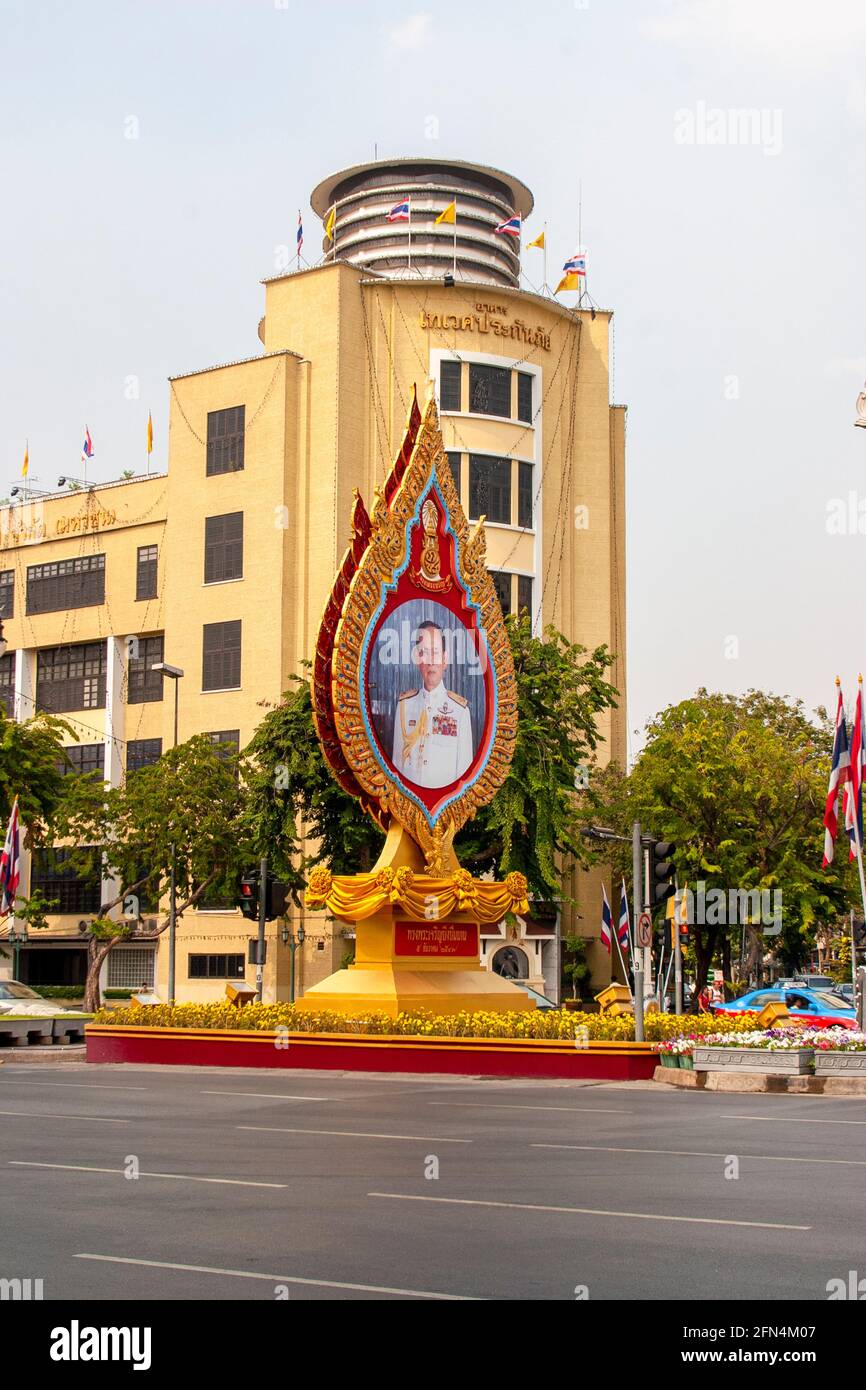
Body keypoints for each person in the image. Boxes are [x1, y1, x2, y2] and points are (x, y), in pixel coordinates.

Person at [391, 620, 473, 787]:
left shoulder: (460, 712)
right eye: (424, 652)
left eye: (435, 652)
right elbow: (396, 770)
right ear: (417, 658)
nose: (430, 661)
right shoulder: (404, 706)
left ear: (445, 658)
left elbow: (465, 780)